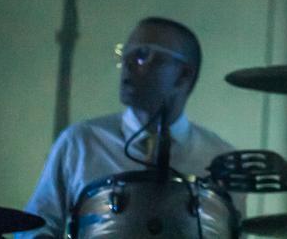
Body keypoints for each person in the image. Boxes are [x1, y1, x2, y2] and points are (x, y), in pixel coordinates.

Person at [20, 17, 235, 239]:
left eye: (143, 55)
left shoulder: (220, 157)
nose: (127, 64)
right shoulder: (81, 142)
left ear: (184, 75)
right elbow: (35, 225)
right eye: (124, 54)